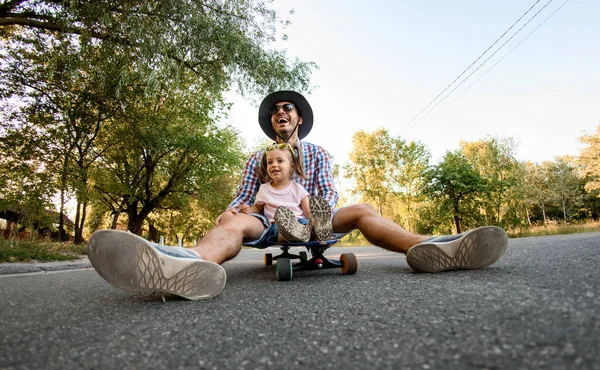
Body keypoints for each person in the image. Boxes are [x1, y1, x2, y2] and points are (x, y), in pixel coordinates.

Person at [87, 90, 508, 301]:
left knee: (361, 208)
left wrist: (309, 223)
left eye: (288, 108)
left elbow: (324, 196)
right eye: (275, 110)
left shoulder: (318, 153)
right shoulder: (259, 158)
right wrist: (232, 212)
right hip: (268, 223)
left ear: (299, 118)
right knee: (231, 220)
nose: (281, 112)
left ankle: (433, 249)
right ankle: (185, 266)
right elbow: (245, 198)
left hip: (310, 218)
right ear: (271, 123)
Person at [238, 141, 332, 243]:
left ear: (291, 167)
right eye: (270, 162)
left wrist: (313, 220)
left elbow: (308, 212)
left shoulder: (298, 188)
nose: (274, 165)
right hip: (276, 224)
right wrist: (248, 210)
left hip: (299, 222)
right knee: (279, 233)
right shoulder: (264, 189)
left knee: (307, 225)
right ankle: (294, 234)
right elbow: (258, 207)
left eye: (280, 161)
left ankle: (317, 230)